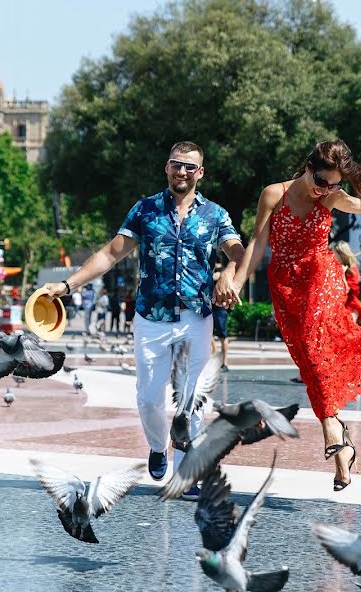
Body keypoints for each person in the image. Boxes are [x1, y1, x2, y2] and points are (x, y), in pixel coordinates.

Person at [43, 141, 244, 500]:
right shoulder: (146, 209)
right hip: (151, 317)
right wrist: (68, 284)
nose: (181, 171)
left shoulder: (215, 215)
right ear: (167, 168)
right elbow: (110, 254)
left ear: (201, 173)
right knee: (150, 399)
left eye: (189, 166)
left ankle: (186, 474)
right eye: (174, 165)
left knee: (192, 400)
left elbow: (240, 252)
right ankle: (157, 444)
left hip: (196, 318)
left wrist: (230, 270)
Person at [217, 140, 361, 491]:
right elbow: (258, 243)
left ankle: (331, 429)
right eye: (321, 182)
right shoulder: (273, 195)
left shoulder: (333, 196)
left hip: (319, 277)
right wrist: (239, 283)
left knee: (314, 350)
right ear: (307, 169)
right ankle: (343, 453)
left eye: (334, 185)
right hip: (285, 284)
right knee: (310, 362)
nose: (326, 190)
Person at [330, 241, 361, 323]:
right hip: (339, 305)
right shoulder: (334, 269)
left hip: (350, 305)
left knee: (349, 332)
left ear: (342, 255)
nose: (333, 256)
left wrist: (342, 274)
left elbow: (346, 290)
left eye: (334, 254)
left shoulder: (352, 270)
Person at [210, 264, 230, 371]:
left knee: (222, 335)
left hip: (220, 308)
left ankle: (225, 362)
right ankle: (214, 353)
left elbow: (214, 277)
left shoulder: (222, 270)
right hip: (210, 306)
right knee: (208, 334)